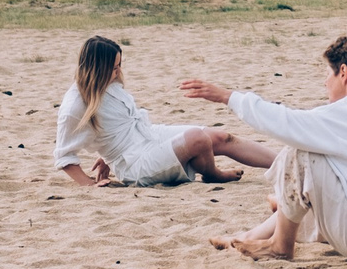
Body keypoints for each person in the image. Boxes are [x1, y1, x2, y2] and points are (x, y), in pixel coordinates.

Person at [180, 36, 347, 263]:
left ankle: (279, 246)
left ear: (343, 73)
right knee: (317, 159)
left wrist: (227, 96)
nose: (325, 81)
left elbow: (283, 121)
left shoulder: (346, 113)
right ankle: (255, 233)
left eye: (328, 72)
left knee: (299, 152)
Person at [53, 35, 271, 186]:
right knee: (197, 139)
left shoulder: (110, 83)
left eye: (119, 65)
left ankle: (284, 161)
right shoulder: (74, 105)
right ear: (96, 69)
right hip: (135, 163)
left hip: (149, 136)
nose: (118, 71)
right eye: (114, 67)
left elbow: (114, 128)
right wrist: (89, 183)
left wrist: (106, 152)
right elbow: (64, 156)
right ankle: (214, 175)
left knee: (220, 136)